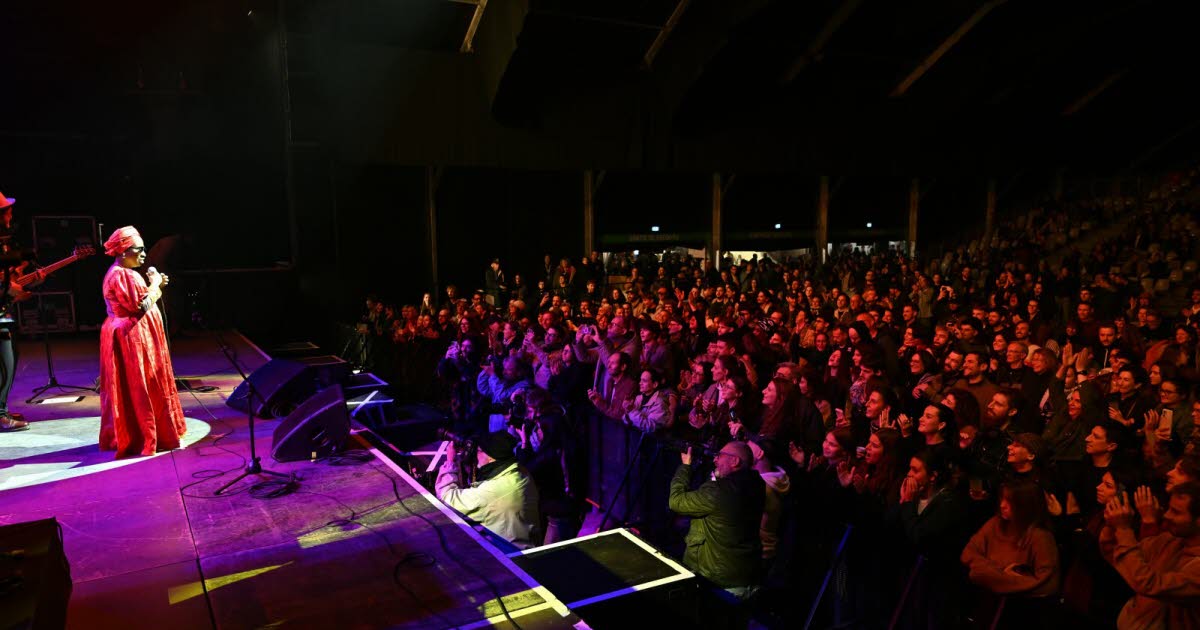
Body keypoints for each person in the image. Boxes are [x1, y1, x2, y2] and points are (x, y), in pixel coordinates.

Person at [97, 226, 187, 458]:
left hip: (134, 334)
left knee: (142, 385)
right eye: (139, 250)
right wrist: (155, 284)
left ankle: (147, 432)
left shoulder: (126, 273)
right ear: (124, 251)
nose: (144, 254)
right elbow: (139, 306)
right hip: (131, 338)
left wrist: (155, 285)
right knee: (141, 386)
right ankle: (142, 435)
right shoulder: (123, 275)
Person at [669, 441, 766, 596]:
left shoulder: (719, 491)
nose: (715, 460)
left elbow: (676, 501)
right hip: (744, 577)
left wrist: (685, 467)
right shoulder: (757, 485)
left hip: (718, 582)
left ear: (735, 461)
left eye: (720, 456)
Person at [1101, 481, 1200, 628]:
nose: (1166, 515)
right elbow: (1118, 555)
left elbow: (1150, 584)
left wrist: (1123, 529)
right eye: (1169, 509)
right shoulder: (1171, 540)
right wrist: (1112, 525)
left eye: (1176, 512)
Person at [437, 430, 540, 549]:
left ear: (491, 458)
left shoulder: (494, 490)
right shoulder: (520, 472)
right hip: (525, 544)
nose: (476, 455)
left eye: (479, 451)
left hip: (508, 556)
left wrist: (450, 462)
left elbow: (447, 498)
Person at [0, 190, 44, 432]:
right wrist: (10, 289)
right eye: (6, 210)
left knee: (9, 361)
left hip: (4, 313)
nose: (10, 214)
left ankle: (2, 410)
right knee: (4, 364)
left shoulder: (4, 241)